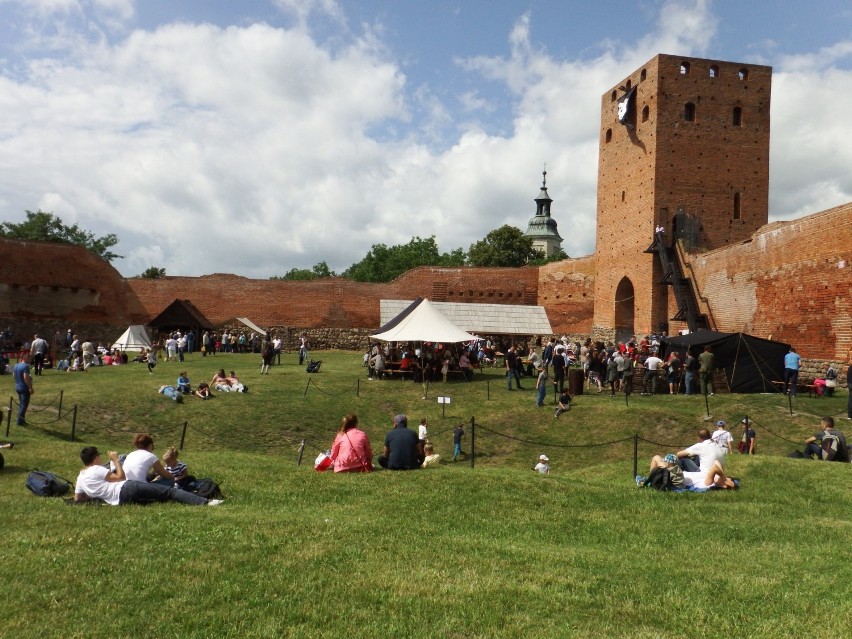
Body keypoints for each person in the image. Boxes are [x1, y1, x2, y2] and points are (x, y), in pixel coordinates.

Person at [74, 447, 221, 506]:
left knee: (158, 497)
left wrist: (98, 494)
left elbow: (78, 499)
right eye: (98, 456)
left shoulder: (80, 478)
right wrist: (116, 460)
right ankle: (205, 502)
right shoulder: (96, 469)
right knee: (170, 492)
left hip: (120, 500)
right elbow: (120, 477)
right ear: (95, 459)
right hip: (127, 487)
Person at [12, 355, 34, 425]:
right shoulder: (26, 366)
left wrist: (17, 383)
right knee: (24, 405)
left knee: (21, 404)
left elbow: (14, 376)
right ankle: (19, 421)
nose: (30, 361)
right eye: (29, 359)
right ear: (26, 359)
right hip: (24, 388)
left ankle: (22, 420)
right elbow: (25, 377)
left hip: (18, 386)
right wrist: (30, 387)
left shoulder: (16, 365)